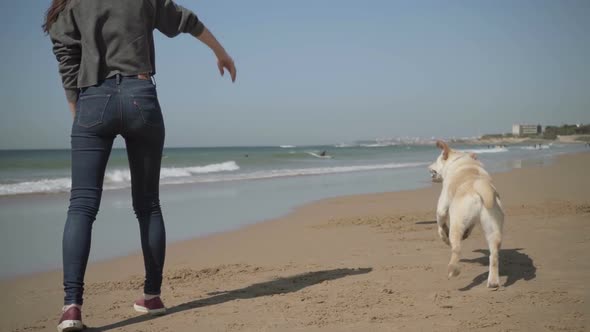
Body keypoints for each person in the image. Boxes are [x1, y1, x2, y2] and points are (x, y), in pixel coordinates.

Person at [43, 1, 236, 331]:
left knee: (81, 207)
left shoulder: (71, 4)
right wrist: (221, 53)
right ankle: (152, 296)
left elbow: (67, 60)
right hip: (140, 95)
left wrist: (79, 112)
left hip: (92, 99)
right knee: (148, 204)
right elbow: (186, 21)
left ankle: (72, 308)